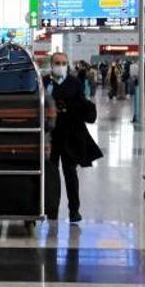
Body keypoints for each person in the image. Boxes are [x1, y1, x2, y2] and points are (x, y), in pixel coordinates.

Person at [44, 52, 103, 223]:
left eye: (63, 63)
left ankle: (74, 210)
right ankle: (51, 209)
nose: (60, 65)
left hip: (70, 135)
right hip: (51, 136)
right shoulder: (45, 82)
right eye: (57, 62)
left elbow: (82, 104)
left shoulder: (74, 83)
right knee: (51, 174)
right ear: (51, 64)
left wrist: (68, 106)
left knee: (70, 174)